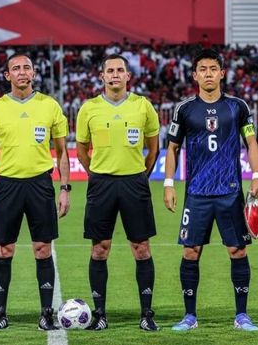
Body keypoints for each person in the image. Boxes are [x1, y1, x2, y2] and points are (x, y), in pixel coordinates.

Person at [162, 49, 258, 332]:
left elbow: (252, 143)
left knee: (237, 251)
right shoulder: (184, 109)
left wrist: (257, 175)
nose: (208, 74)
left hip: (229, 192)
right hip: (196, 193)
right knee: (190, 252)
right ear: (195, 75)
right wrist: (169, 183)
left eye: (213, 69)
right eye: (203, 69)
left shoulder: (238, 107)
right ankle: (189, 316)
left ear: (222, 73)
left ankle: (242, 315)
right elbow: (172, 148)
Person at [0, 53, 71, 331]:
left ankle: (46, 314)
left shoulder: (49, 106)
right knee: (4, 249)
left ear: (34, 73)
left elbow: (63, 152)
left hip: (40, 184)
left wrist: (64, 188)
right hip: (7, 185)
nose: (21, 72)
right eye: (15, 68)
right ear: (7, 75)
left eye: (26, 67)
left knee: (42, 249)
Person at [75, 54, 161, 331]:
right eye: (109, 70)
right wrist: (97, 174)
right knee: (100, 250)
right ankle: (99, 314)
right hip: (101, 184)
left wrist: (140, 175)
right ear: (102, 76)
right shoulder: (88, 108)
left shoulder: (142, 106)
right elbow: (81, 150)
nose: (114, 74)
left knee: (141, 248)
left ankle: (147, 314)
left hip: (134, 183)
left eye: (119, 70)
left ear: (127, 76)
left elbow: (154, 147)